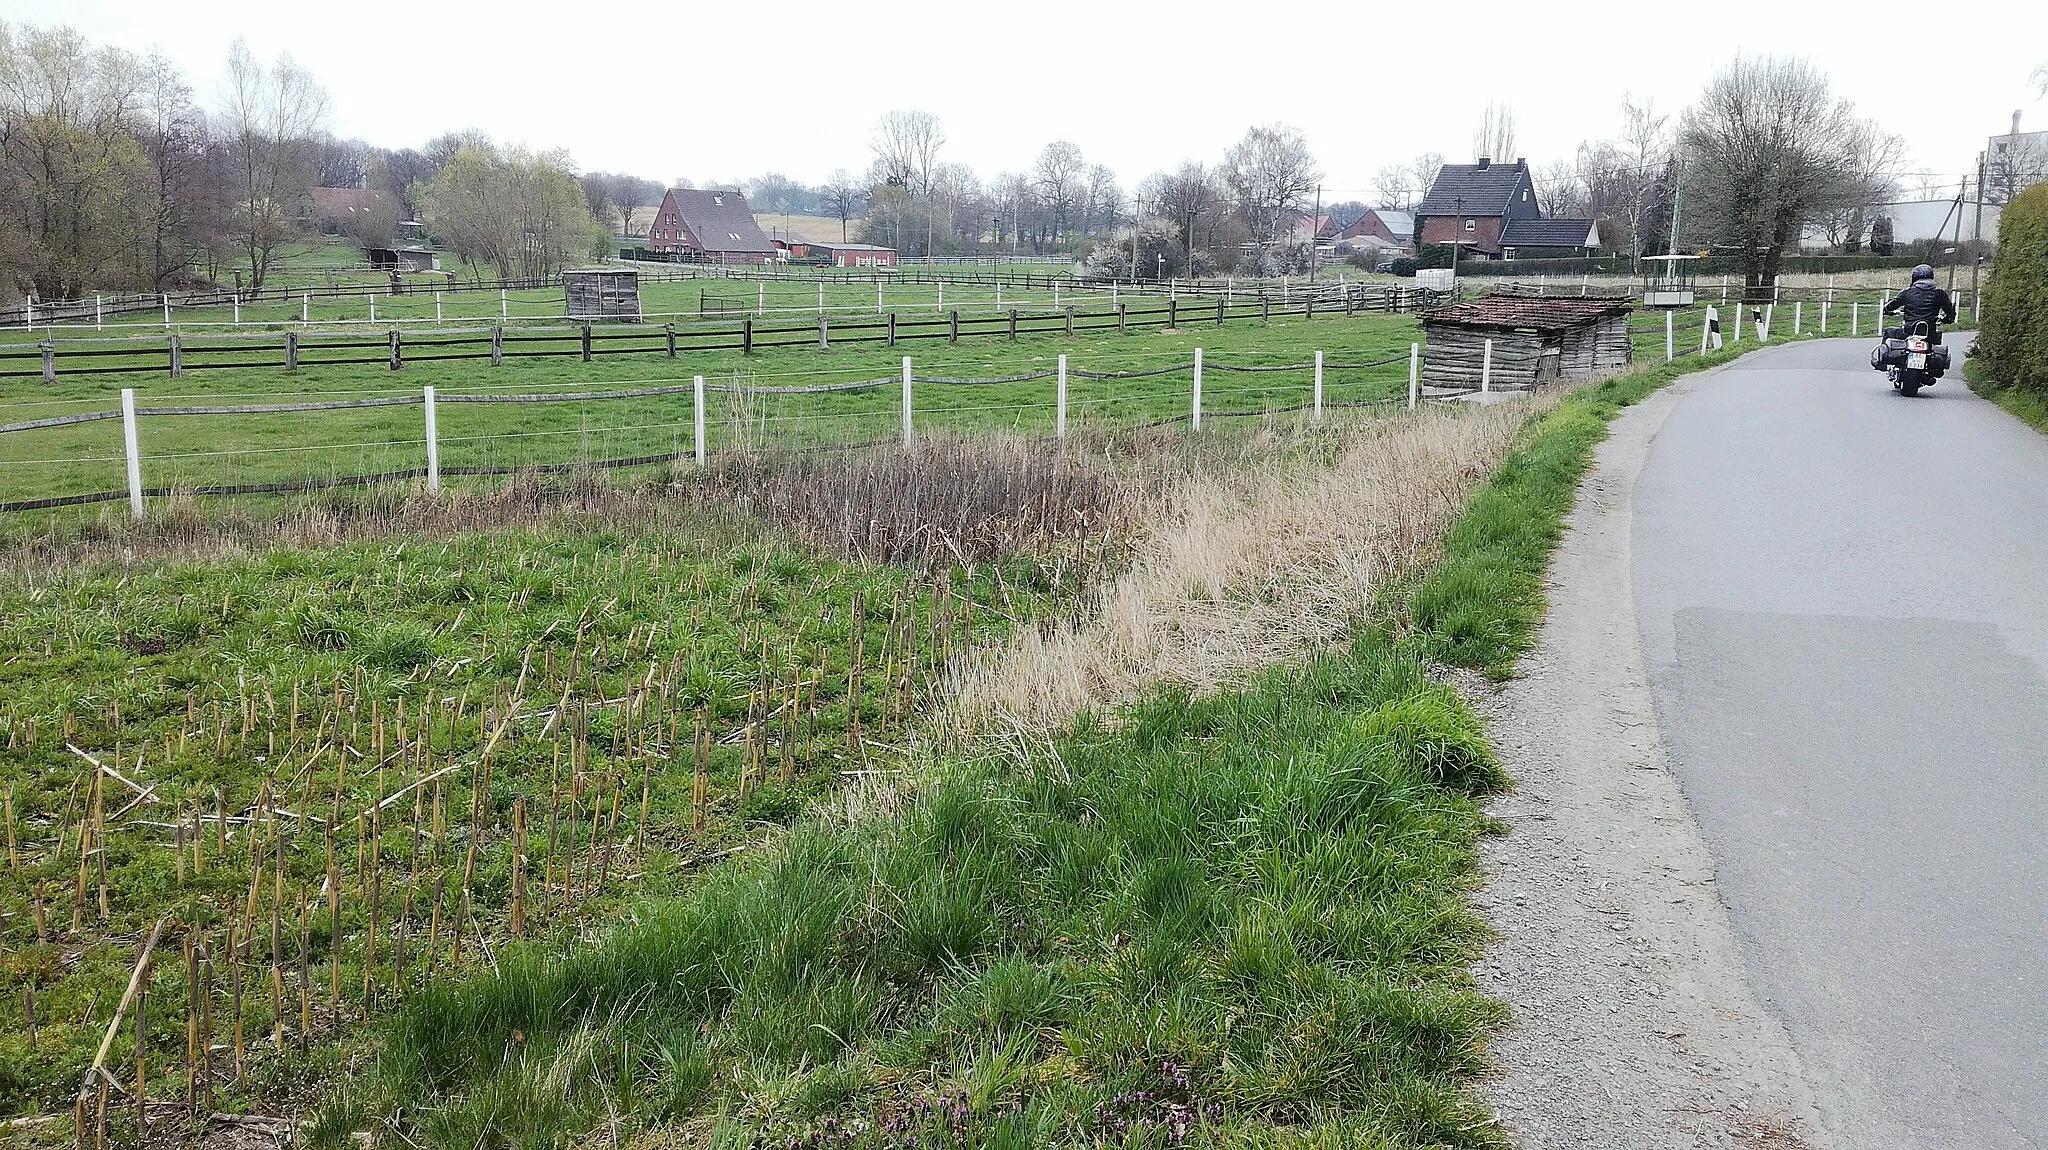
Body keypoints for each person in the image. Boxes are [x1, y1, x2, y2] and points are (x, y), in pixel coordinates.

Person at [1883, 264, 1957, 342]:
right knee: (1936, 347)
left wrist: (1887, 310)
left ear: (1914, 278)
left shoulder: (1907, 292)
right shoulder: (1940, 294)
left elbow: (1890, 306)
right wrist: (1947, 319)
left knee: (1888, 332)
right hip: (1930, 333)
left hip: (1909, 331)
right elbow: (1950, 313)